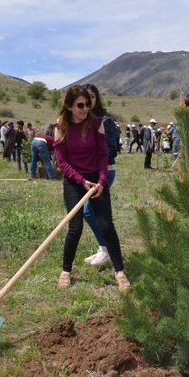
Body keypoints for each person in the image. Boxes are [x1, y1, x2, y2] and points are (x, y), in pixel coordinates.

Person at [54, 85, 130, 292]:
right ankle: (66, 272)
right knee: (75, 227)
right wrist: (81, 181)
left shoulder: (97, 124)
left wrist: (102, 181)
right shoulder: (61, 126)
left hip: (97, 181)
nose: (85, 108)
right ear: (69, 106)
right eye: (80, 105)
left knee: (106, 225)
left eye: (88, 104)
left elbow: (103, 155)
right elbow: (62, 162)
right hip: (74, 182)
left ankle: (120, 272)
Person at [81, 84, 120, 266]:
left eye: (91, 97)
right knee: (90, 212)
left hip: (105, 172)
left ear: (96, 98)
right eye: (84, 98)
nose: (88, 102)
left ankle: (107, 250)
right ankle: (103, 248)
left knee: (90, 211)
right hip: (89, 174)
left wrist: (94, 156)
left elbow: (112, 149)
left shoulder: (106, 121)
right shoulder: (82, 122)